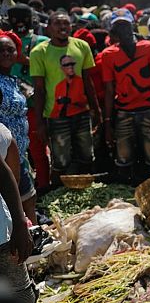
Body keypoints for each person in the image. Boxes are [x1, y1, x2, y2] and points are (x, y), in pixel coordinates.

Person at [30, 12, 100, 184]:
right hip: (56, 117)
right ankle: (58, 195)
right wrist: (39, 122)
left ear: (71, 27)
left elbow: (87, 80)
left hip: (82, 114)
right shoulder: (39, 52)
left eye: (66, 24)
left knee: (86, 156)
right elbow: (39, 89)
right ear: (49, 28)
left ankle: (86, 189)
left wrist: (96, 109)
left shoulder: (82, 46)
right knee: (60, 160)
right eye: (57, 24)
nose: (62, 27)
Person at [102, 9, 150, 184]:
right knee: (123, 158)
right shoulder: (109, 54)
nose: (122, 31)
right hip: (123, 111)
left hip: (148, 110)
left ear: (132, 26)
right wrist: (107, 122)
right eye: (118, 27)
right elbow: (109, 89)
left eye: (125, 26)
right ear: (113, 32)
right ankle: (126, 195)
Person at [6, 4, 50, 190]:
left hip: (35, 104)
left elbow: (50, 67)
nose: (20, 24)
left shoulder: (41, 41)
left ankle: (43, 186)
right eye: (15, 20)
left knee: (38, 148)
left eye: (23, 18)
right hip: (9, 105)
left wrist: (25, 61)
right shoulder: (5, 42)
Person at [0, 123, 35, 303]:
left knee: (20, 299)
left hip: (2, 233)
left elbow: (5, 175)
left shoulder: (4, 134)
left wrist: (20, 224)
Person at [0, 34, 35, 223]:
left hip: (19, 153)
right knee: (13, 205)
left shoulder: (12, 79)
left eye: (10, 49)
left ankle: (34, 243)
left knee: (28, 200)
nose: (6, 53)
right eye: (1, 50)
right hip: (4, 156)